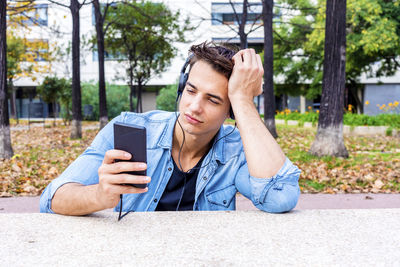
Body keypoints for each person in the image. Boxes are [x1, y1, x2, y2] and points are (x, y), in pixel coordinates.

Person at [40, 42, 301, 216]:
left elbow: (279, 197)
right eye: (190, 90)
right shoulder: (130, 128)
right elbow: (51, 199)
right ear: (181, 87)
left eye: (213, 100)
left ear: (230, 111)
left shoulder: (236, 149)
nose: (194, 106)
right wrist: (99, 195)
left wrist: (244, 100)